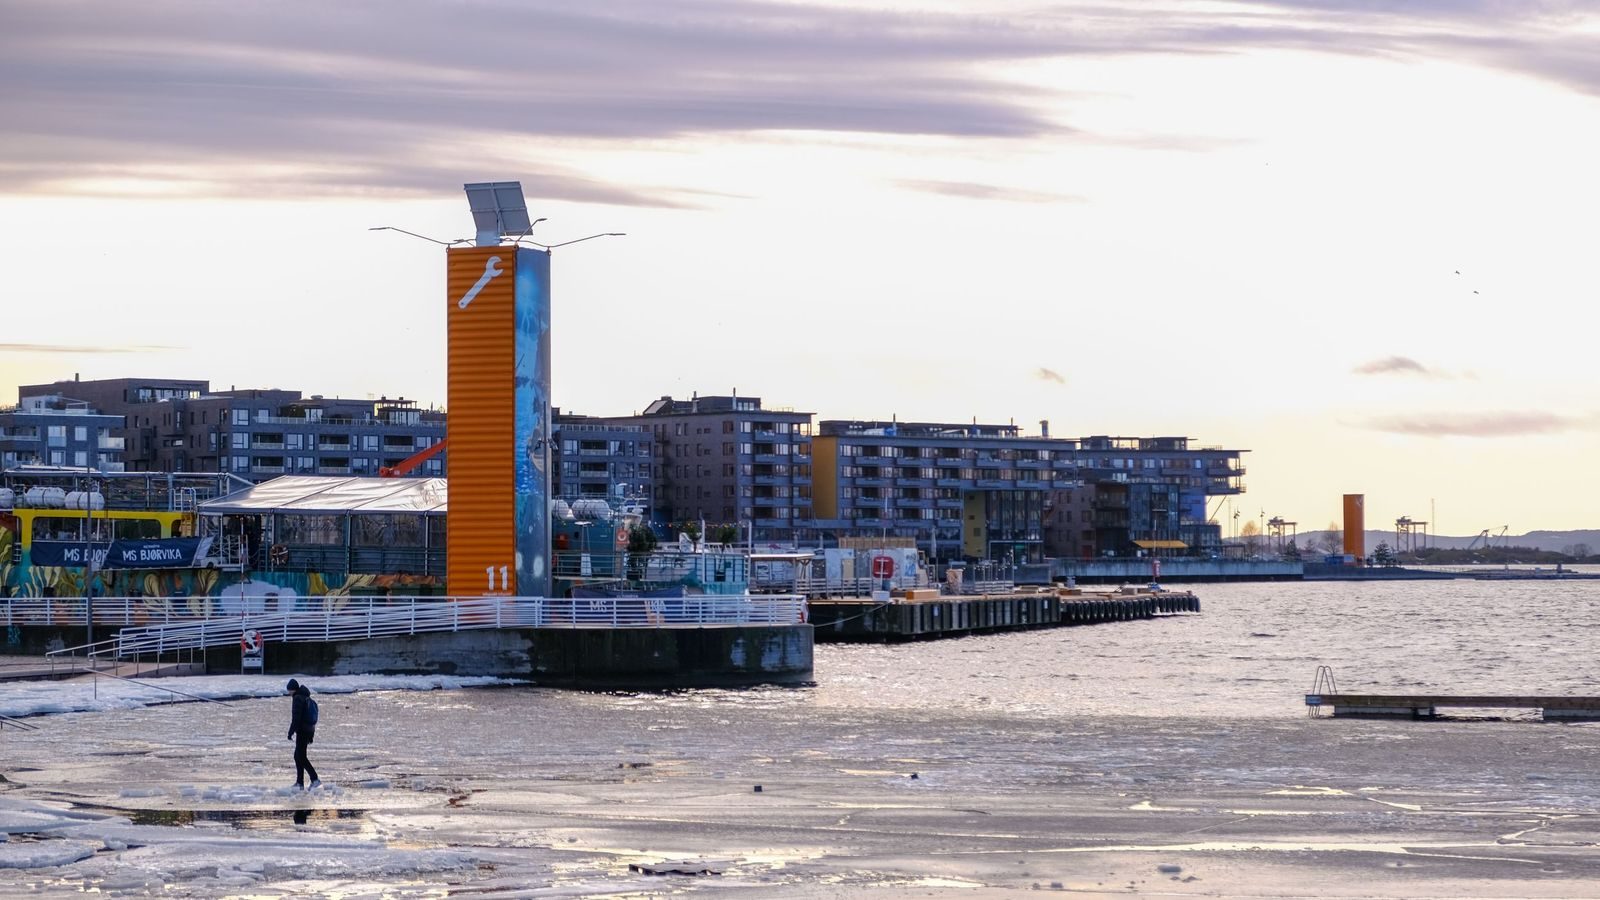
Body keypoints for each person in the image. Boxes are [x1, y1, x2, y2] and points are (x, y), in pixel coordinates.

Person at [285, 678, 320, 790]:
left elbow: (296, 717)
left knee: (301, 756)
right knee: (298, 756)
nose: (288, 692)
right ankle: (300, 782)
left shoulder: (298, 698)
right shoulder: (305, 697)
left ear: (292, 689)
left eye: (289, 690)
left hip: (302, 730)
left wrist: (290, 732)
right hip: (308, 730)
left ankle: (314, 779)